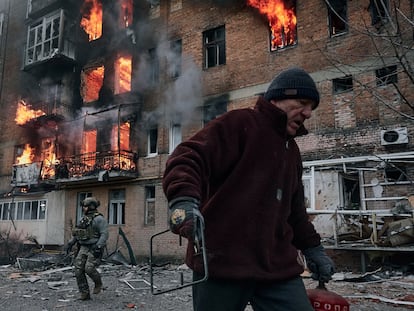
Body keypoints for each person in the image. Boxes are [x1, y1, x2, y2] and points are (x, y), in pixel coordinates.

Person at [162, 67, 335, 311]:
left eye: (311, 108)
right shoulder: (240, 123)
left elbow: (294, 212)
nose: (307, 113)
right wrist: (183, 201)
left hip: (277, 267)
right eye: (302, 102)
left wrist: (313, 248)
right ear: (276, 99)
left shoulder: (292, 151)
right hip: (222, 262)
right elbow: (187, 157)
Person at [64, 197, 109, 300]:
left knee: (89, 268)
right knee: (78, 270)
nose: (83, 208)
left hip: (94, 246)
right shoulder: (83, 219)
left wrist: (98, 246)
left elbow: (104, 234)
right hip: (83, 246)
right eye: (83, 206)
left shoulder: (99, 219)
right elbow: (78, 233)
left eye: (85, 206)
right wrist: (71, 243)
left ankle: (98, 283)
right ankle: (84, 293)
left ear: (91, 207)